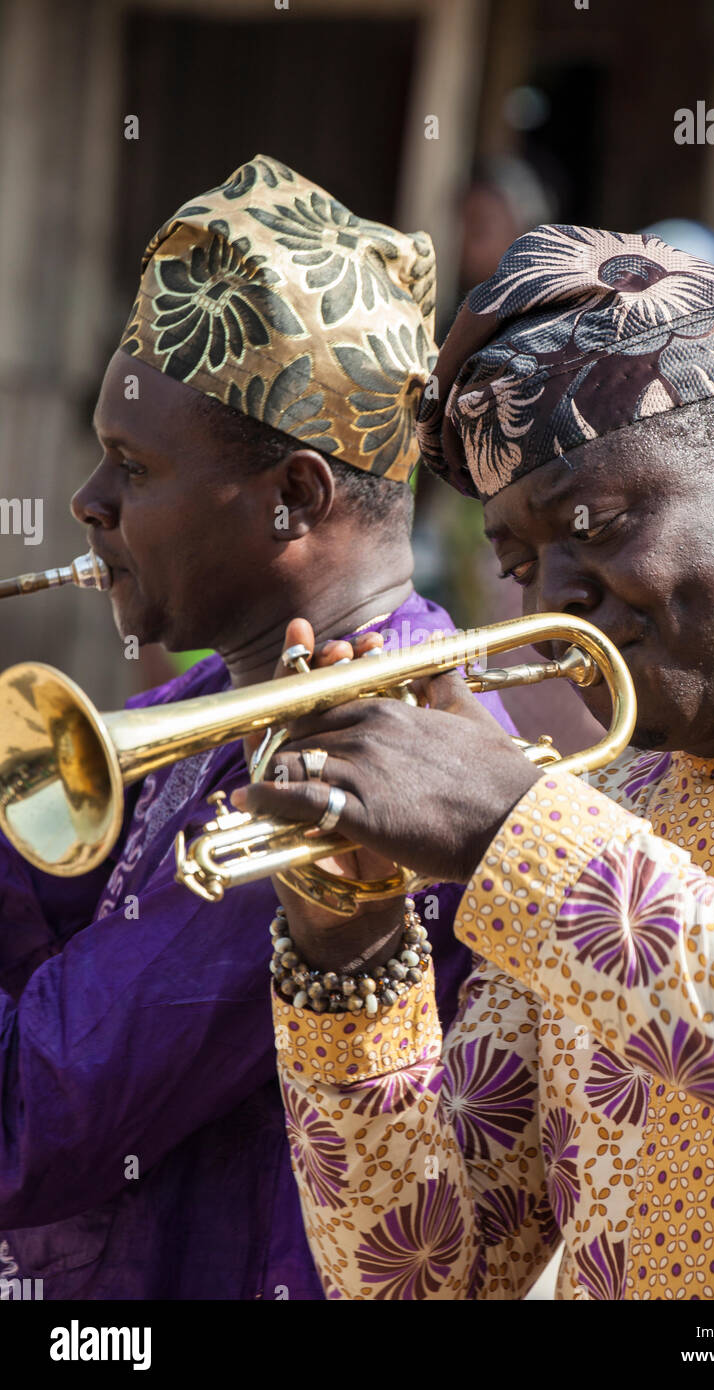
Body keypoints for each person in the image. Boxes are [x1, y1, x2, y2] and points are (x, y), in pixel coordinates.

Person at [241, 226, 714, 1299]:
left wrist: (512, 836)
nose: (549, 605)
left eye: (600, 524)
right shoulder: (606, 809)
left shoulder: (557, 845)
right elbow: (429, 1281)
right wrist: (348, 941)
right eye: (524, 563)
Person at [0, 154, 517, 1300]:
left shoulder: (352, 764)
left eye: (131, 467)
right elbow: (33, 873)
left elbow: (30, 1117)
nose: (88, 502)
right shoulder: (207, 704)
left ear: (294, 495)